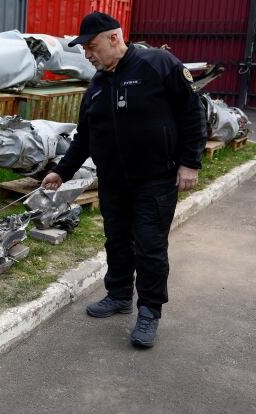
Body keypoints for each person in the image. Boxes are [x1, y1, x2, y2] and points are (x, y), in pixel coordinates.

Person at [41, 12, 207, 348]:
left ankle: (149, 311)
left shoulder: (158, 64)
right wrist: (62, 170)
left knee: (149, 246)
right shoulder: (98, 85)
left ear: (115, 38)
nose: (87, 54)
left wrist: (190, 162)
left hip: (155, 179)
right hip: (114, 181)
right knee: (116, 240)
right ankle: (118, 295)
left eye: (91, 46)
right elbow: (84, 137)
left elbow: (193, 111)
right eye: (84, 48)